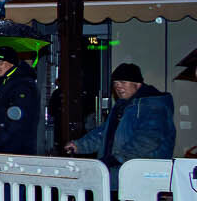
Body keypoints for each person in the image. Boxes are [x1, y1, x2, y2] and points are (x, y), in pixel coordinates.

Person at [66, 63, 174, 192]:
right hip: (120, 172)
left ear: (137, 84)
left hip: (143, 175)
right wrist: (79, 145)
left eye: (123, 82)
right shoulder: (122, 106)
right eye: (115, 83)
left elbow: (148, 139)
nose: (118, 86)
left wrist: (118, 158)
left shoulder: (153, 106)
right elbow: (104, 133)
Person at [0, 46, 41, 154]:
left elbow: (16, 118)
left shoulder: (21, 84)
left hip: (12, 150)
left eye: (0, 62)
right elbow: (4, 109)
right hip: (7, 149)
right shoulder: (7, 81)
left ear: (12, 63)